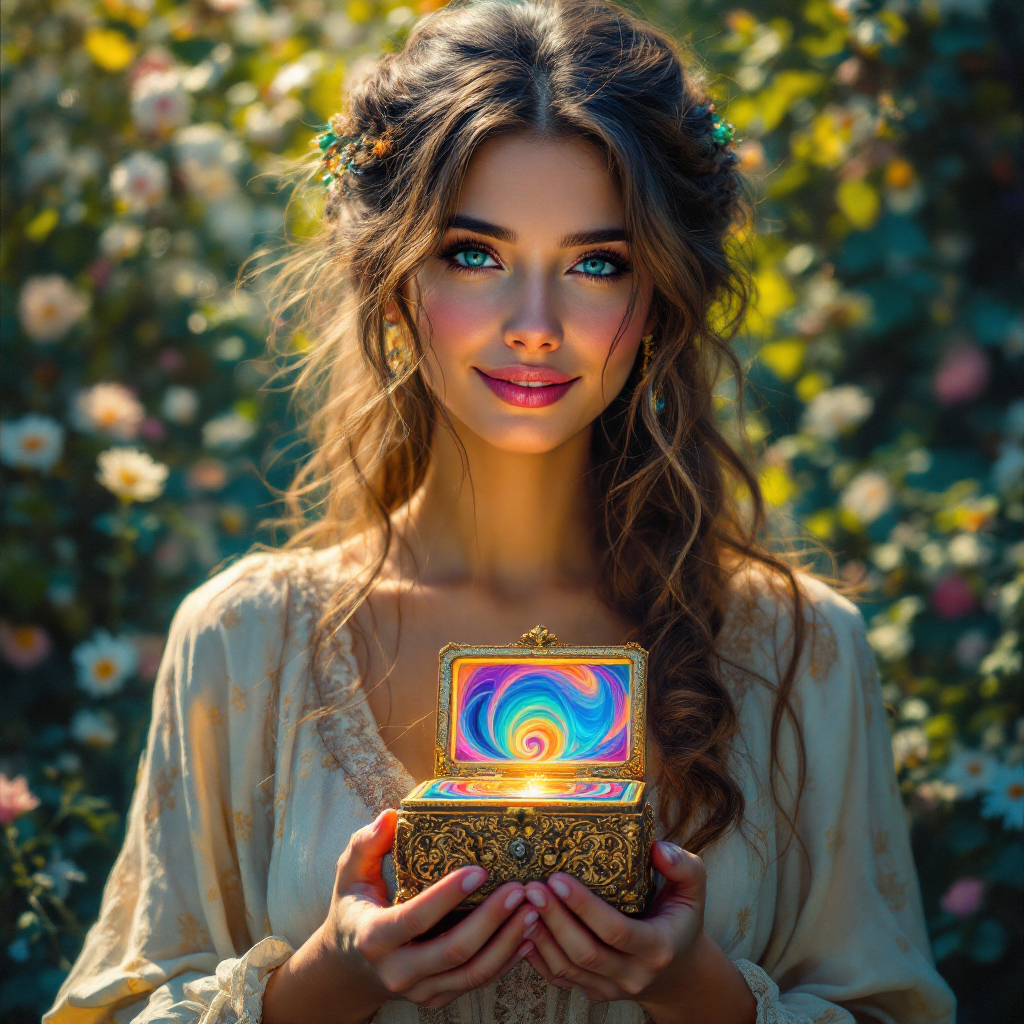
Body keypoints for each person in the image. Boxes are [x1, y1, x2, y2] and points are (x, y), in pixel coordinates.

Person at [46, 1, 957, 1022]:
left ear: (657, 298)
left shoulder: (799, 650)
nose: (534, 327)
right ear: (393, 283)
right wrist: (314, 990)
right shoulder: (245, 640)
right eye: (474, 254)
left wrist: (702, 995)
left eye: (596, 264)